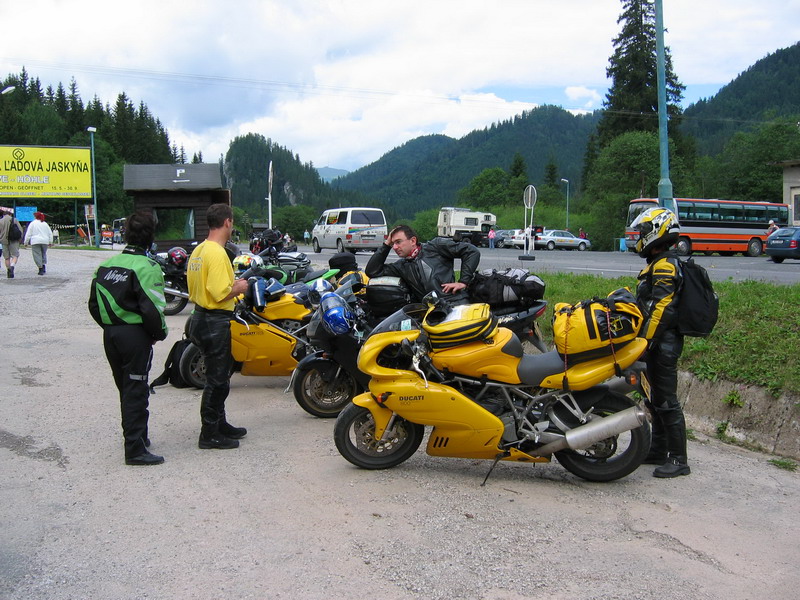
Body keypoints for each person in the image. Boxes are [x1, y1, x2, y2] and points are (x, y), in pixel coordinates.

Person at [88, 211, 168, 466]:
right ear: (151, 236)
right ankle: (134, 449)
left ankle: (140, 437)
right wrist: (158, 334)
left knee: (125, 387)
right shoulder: (148, 267)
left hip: (111, 334)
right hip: (135, 336)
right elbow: (152, 310)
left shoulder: (106, 265)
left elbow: (93, 305)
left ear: (126, 234)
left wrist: (111, 325)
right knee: (136, 388)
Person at [630, 207, 690, 479]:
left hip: (663, 343)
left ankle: (678, 459)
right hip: (658, 342)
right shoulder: (658, 263)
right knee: (654, 399)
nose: (639, 236)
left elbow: (661, 308)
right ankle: (657, 450)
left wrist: (646, 340)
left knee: (666, 400)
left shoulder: (665, 265)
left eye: (643, 231)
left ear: (658, 231)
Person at [186, 203, 249, 450]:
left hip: (200, 316)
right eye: (232, 223)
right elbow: (219, 291)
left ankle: (220, 424)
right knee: (217, 380)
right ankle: (209, 433)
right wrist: (239, 287)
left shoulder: (200, 250)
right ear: (227, 222)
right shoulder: (217, 252)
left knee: (219, 375)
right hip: (214, 320)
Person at [365, 224, 480, 304]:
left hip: (454, 303)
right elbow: (372, 271)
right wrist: (386, 244)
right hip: (430, 312)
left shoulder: (435, 246)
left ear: (413, 241)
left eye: (398, 242)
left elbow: (471, 251)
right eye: (393, 243)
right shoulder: (401, 266)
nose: (394, 247)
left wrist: (463, 282)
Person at [0, 208, 23, 278]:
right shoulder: (14, 220)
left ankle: (8, 270)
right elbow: (20, 230)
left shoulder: (0, 221)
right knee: (15, 255)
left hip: (3, 241)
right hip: (14, 240)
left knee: (7, 257)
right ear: (10, 214)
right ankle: (12, 266)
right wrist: (20, 239)